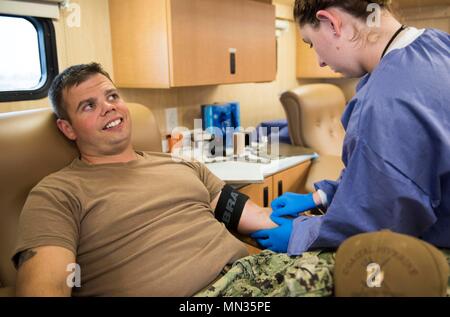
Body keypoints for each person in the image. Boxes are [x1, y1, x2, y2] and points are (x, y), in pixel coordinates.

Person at [12, 63, 279, 297]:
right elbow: (47, 287)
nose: (109, 107)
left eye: (112, 96)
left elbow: (255, 217)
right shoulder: (57, 194)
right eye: (89, 105)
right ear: (67, 128)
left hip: (262, 276)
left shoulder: (182, 164)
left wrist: (312, 225)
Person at [252, 0, 450, 255]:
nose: (320, 61)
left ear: (332, 23)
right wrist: (322, 197)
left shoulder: (386, 100)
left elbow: (380, 222)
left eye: (311, 43)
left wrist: (303, 233)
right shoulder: (437, 44)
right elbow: (402, 171)